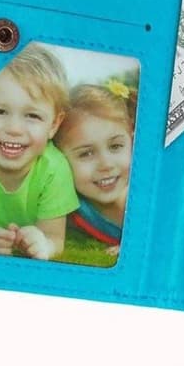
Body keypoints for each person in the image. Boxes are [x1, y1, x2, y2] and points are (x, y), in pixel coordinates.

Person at [0, 43, 79, 260]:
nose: (14, 129)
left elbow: (55, 238)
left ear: (54, 124)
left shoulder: (54, 169)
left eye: (33, 116)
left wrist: (43, 244)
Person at [55, 81, 136, 255]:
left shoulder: (144, 196)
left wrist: (138, 242)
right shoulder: (71, 208)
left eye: (115, 146)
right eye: (86, 154)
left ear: (132, 140)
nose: (106, 164)